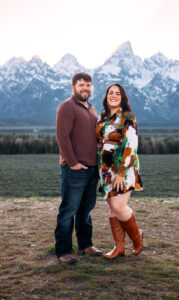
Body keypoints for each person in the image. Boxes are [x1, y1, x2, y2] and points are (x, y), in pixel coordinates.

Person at [55, 72, 102, 264]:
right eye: (81, 85)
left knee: (86, 210)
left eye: (88, 85)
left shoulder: (91, 108)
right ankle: (63, 251)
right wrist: (73, 163)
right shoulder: (67, 107)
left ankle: (85, 245)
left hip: (92, 168)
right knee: (69, 210)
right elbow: (62, 137)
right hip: (75, 169)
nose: (85, 88)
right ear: (73, 87)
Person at [96, 83, 143, 259]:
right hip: (105, 169)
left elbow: (131, 145)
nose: (113, 95)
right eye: (110, 92)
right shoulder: (102, 117)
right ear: (106, 96)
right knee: (112, 208)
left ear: (122, 97)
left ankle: (137, 239)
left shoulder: (127, 117)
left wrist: (121, 171)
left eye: (117, 93)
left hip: (122, 167)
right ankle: (119, 247)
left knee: (118, 205)